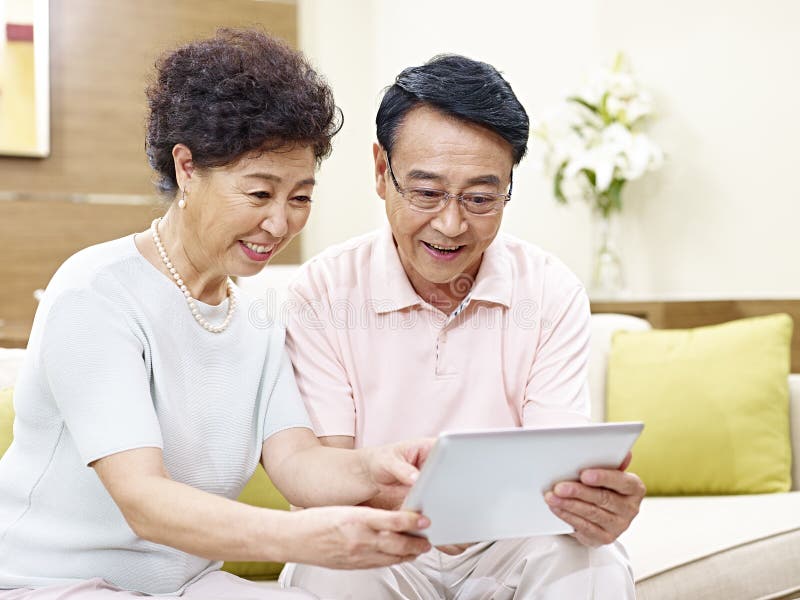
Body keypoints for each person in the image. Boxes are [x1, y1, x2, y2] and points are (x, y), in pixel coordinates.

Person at [0, 29, 434, 599]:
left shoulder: (257, 317)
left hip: (186, 585)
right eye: (258, 195)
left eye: (300, 197)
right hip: (48, 584)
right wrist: (302, 536)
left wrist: (377, 468)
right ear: (187, 168)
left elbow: (297, 460)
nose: (280, 224)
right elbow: (144, 501)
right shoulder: (97, 294)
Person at [281, 54, 646, 599]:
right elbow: (327, 477)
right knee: (328, 571)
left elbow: (555, 462)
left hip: (512, 542)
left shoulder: (550, 290)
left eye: (480, 198)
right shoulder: (323, 292)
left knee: (593, 564)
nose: (451, 225)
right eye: (426, 193)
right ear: (381, 171)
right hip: (378, 537)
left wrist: (594, 508)